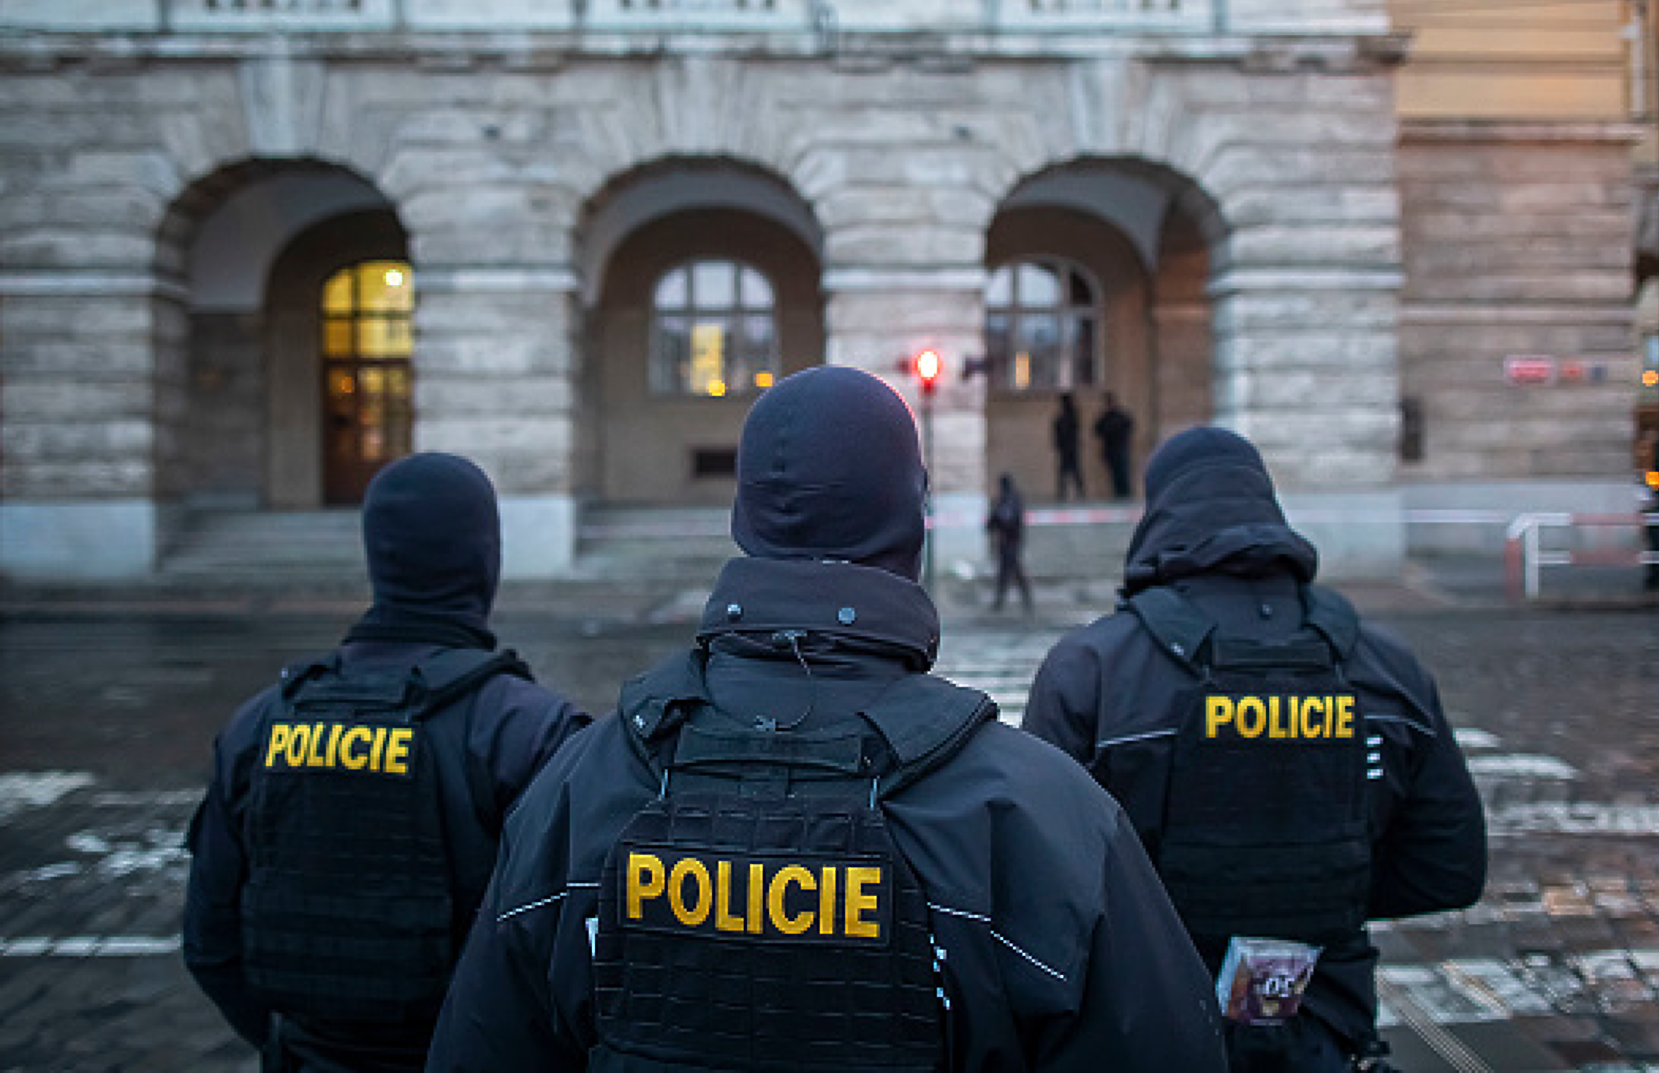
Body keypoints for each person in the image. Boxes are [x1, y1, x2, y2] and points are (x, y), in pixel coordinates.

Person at [426, 367, 1226, 1073]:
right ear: (910, 521)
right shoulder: (1041, 811)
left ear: (745, 521)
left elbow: (481, 1043)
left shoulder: (580, 783)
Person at [1022, 428, 1486, 1073]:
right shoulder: (1387, 666)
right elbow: (1449, 868)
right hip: (1327, 1024)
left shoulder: (1092, 668)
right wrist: (1321, 887)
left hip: (1143, 1028)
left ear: (1159, 515)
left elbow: (1036, 887)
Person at [183, 452, 591, 1072]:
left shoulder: (260, 722)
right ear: (486, 560)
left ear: (378, 559)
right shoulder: (530, 730)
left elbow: (210, 944)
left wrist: (300, 1047)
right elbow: (578, 960)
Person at [985, 472, 1033, 612]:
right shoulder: (1008, 499)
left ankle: (1006, 602)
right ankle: (1002, 602)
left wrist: (995, 522)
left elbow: (1006, 518)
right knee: (1007, 572)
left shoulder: (1010, 500)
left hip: (1011, 541)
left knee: (1012, 572)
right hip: (1008, 541)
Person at [1094, 392, 1135, 499]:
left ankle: (1125, 495)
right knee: (1115, 475)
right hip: (1112, 449)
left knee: (1122, 474)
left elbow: (1129, 426)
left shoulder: (1119, 416)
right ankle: (1120, 495)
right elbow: (1097, 430)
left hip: (1119, 448)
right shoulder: (1106, 417)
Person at [1052, 391, 1084, 500]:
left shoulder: (1069, 417)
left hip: (1068, 448)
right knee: (1070, 471)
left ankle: (1070, 492)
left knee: (1070, 471)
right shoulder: (1068, 417)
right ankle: (1067, 492)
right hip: (1068, 448)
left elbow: (1067, 432)